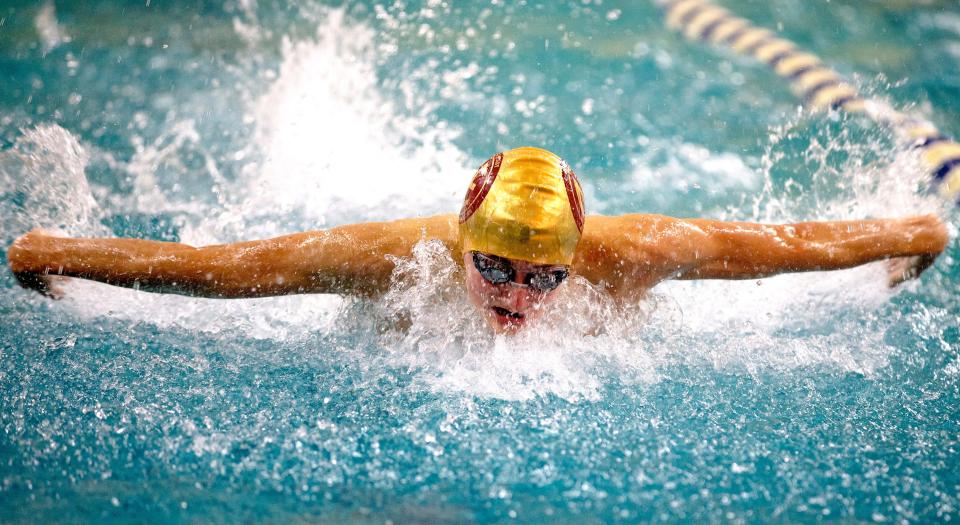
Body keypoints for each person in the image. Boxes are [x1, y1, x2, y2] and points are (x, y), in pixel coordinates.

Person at [6, 147, 949, 333]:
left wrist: (917, 233)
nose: (516, 298)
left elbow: (787, 244)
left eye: (544, 277)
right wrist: (51, 251)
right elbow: (217, 271)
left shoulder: (639, 251)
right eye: (494, 267)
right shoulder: (391, 255)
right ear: (460, 242)